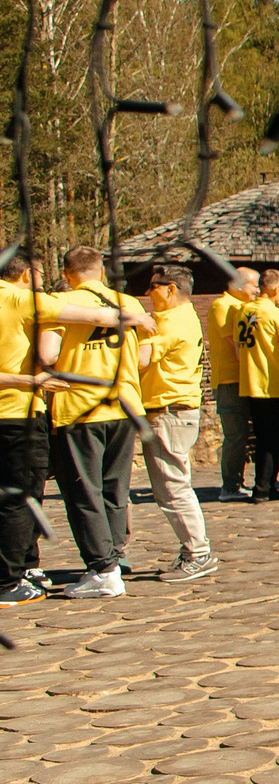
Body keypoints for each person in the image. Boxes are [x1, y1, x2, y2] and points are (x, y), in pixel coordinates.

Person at [0, 254, 133, 604]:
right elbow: (103, 327)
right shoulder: (25, 301)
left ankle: (34, 568)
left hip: (67, 409)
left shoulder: (43, 301)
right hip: (113, 404)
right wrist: (134, 318)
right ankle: (109, 561)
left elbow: (48, 352)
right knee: (105, 490)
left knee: (63, 492)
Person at [36, 248, 150, 597]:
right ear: (102, 271)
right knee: (115, 488)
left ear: (66, 273)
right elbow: (143, 358)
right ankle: (114, 557)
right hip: (124, 403)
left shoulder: (60, 302)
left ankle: (102, 569)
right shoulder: (129, 303)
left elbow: (48, 354)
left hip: (79, 406)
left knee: (84, 491)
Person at [136, 265, 216, 582]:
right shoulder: (186, 316)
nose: (147, 293)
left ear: (170, 288)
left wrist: (137, 326)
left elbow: (141, 360)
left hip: (168, 411)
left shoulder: (169, 321)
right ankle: (194, 551)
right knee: (173, 485)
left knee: (172, 488)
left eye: (153, 287)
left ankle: (198, 553)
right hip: (175, 409)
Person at [239, 270, 279, 502]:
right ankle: (263, 487)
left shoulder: (244, 311)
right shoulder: (275, 315)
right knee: (275, 439)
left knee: (261, 437)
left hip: (250, 381)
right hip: (271, 382)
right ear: (275, 289)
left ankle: (265, 484)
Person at [206, 266, 257, 501]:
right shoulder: (222, 306)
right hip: (229, 380)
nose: (257, 290)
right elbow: (236, 343)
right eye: (253, 285)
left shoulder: (244, 307)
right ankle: (230, 485)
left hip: (246, 379)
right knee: (235, 434)